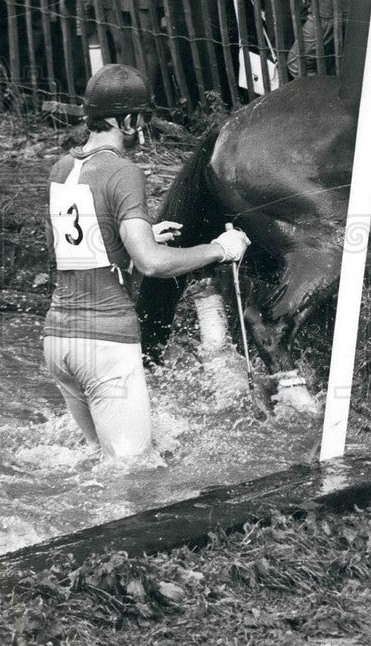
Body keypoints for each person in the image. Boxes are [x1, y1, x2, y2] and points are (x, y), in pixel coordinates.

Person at [45, 64, 250, 460]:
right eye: (141, 120)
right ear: (127, 120)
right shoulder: (123, 172)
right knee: (133, 472)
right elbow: (152, 263)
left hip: (59, 343)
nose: (142, 130)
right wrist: (220, 248)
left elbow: (69, 251)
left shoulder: (62, 168)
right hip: (105, 343)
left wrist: (133, 235)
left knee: (99, 461)